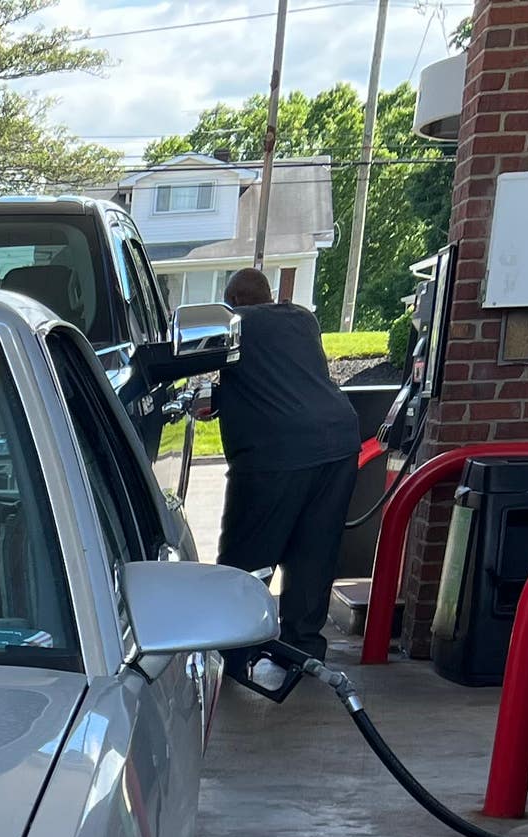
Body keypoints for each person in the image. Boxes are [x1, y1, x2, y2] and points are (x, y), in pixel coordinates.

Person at [135, 265, 365, 661]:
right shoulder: (301, 319)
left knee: (248, 554)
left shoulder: (237, 324)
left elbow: (167, 362)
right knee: (315, 551)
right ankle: (303, 652)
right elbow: (281, 376)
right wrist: (226, 399)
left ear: (235, 302)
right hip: (338, 444)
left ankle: (234, 654)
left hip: (277, 453)